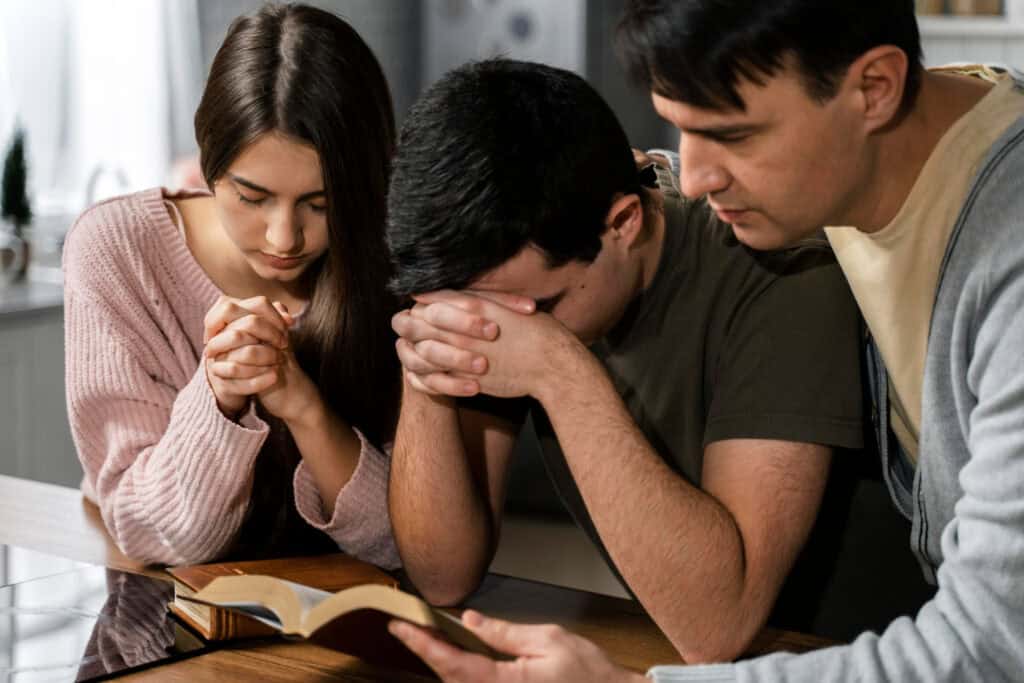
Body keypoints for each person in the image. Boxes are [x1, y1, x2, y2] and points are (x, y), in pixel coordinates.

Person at [388, 1, 1024, 681]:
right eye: (683, 130)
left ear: (875, 89)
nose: (694, 177)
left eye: (735, 135)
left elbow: (986, 644)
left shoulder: (997, 263)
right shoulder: (827, 182)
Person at [384, 58, 867, 664]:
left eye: (536, 307)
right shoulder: (509, 282)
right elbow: (442, 575)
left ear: (623, 222)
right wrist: (425, 360)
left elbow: (718, 627)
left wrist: (560, 371)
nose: (503, 331)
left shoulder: (781, 272)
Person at [63, 3, 400, 568]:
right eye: (251, 197)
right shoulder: (117, 249)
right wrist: (216, 398)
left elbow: (402, 546)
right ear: (206, 158)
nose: (284, 238)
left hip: (349, 607)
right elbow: (152, 536)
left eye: (321, 204)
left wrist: (309, 413)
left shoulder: (389, 262)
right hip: (172, 607)